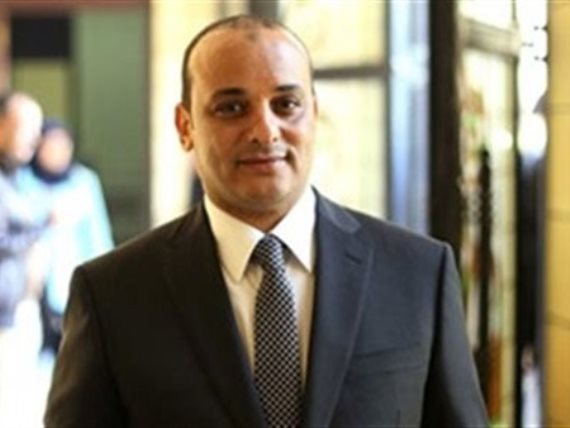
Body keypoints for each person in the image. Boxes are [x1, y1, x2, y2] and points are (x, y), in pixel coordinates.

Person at [45, 14, 488, 428]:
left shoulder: (417, 274)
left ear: (314, 115)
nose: (265, 130)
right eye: (232, 108)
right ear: (185, 126)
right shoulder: (112, 296)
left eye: (286, 104)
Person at [18, 119, 114, 356]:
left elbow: (98, 235)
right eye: (50, 145)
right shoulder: (21, 180)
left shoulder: (83, 182)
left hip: (72, 281)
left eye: (63, 146)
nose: (57, 153)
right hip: (30, 286)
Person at [0, 91, 46, 427]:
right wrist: (40, 229)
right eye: (26, 127)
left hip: (19, 312)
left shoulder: (17, 177)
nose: (34, 139)